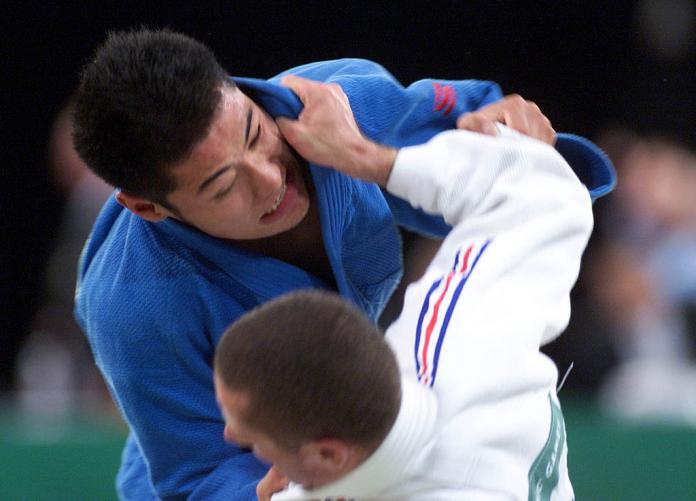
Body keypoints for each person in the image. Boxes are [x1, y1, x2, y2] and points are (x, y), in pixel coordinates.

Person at [73, 28, 613, 499]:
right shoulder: (130, 304)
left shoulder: (338, 106)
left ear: (237, 90)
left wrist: (513, 140)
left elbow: (502, 170)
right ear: (149, 207)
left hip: (360, 423)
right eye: (223, 186)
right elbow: (199, 475)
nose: (268, 177)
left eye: (254, 134)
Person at [214, 76, 594, 500]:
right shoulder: (465, 334)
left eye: (256, 440)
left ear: (328, 455)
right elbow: (541, 194)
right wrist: (362, 155)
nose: (230, 434)